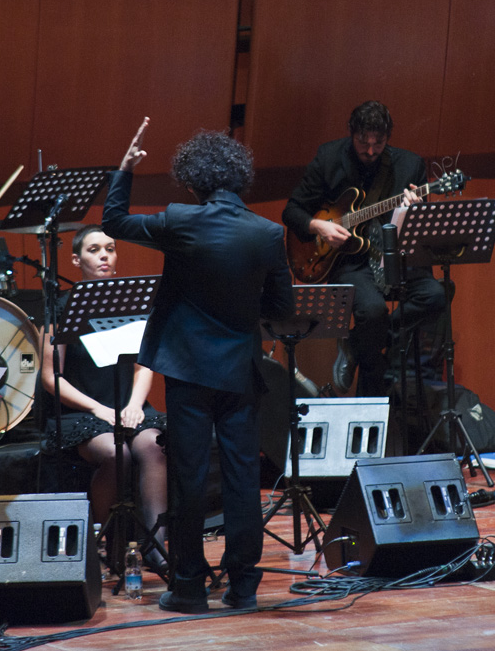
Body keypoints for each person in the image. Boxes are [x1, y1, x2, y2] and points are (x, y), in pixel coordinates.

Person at [103, 118, 294, 614]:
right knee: (240, 479)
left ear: (193, 180)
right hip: (240, 374)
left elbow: (115, 222)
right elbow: (281, 308)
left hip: (188, 372)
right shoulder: (268, 233)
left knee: (188, 478)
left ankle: (188, 587)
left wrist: (124, 169)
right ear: (238, 176)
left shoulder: (181, 221)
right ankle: (244, 587)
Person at [282, 100, 446, 397]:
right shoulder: (329, 158)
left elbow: (421, 228)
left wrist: (416, 210)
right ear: (352, 134)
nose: (370, 151)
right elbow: (292, 212)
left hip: (394, 257)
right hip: (349, 260)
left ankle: (356, 342)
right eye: (363, 142)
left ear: (388, 138)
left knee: (436, 295)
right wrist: (319, 227)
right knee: (372, 311)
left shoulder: (410, 165)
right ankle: (369, 353)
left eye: (378, 143)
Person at [39, 225, 167, 572]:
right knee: (117, 454)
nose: (105, 255)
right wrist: (98, 408)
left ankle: (156, 548)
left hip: (128, 405)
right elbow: (51, 378)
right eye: (95, 250)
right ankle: (100, 541)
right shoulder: (61, 306)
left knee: (154, 448)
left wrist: (135, 405)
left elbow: (145, 366)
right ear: (76, 259)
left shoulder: (131, 301)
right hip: (83, 410)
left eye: (110, 248)